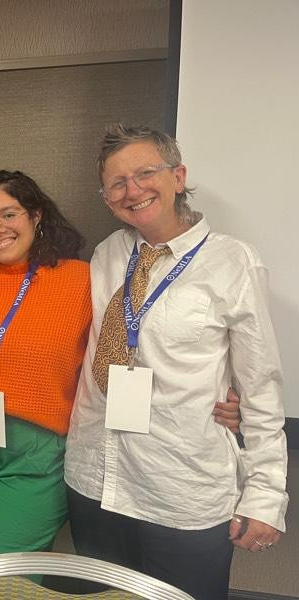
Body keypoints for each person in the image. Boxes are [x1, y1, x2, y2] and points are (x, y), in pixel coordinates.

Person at [65, 124, 288, 600]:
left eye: (146, 173)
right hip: (94, 477)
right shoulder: (108, 254)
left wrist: (266, 494)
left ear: (179, 175)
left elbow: (261, 387)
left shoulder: (233, 262)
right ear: (106, 197)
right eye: (117, 183)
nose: (134, 190)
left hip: (181, 490)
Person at [0, 170, 90, 563]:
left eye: (8, 214)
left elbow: (136, 345)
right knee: (3, 578)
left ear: (36, 216)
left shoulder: (82, 281)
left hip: (34, 451)